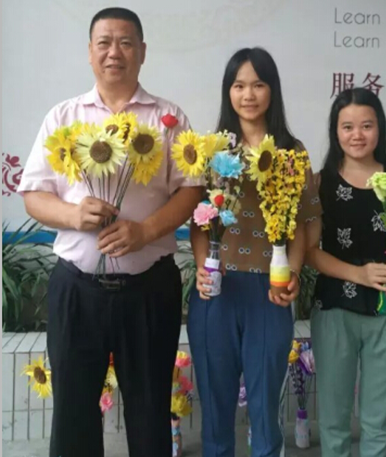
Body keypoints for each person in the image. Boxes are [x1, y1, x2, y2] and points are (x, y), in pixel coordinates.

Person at [17, 7, 202, 457]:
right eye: (104, 42)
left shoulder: (167, 117)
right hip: (77, 291)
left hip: (149, 290)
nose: (114, 52)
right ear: (90, 52)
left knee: (150, 412)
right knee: (73, 416)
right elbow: (34, 195)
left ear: (142, 52)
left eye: (124, 42)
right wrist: (72, 215)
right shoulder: (64, 117)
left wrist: (145, 231)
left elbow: (191, 190)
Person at [187, 47, 322, 457]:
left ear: (272, 90)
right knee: (215, 407)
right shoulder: (211, 149)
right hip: (217, 291)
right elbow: (197, 220)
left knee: (265, 412)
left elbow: (303, 223)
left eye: (258, 85)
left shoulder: (291, 151)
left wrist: (292, 273)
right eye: (239, 85)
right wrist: (203, 268)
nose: (248, 95)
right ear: (228, 91)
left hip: (270, 292)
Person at [305, 88, 386, 457]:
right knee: (333, 420)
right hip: (334, 312)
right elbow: (310, 252)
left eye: (366, 126)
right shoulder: (319, 183)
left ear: (380, 129)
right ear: (335, 131)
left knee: (378, 422)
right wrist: (358, 274)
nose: (357, 135)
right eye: (347, 126)